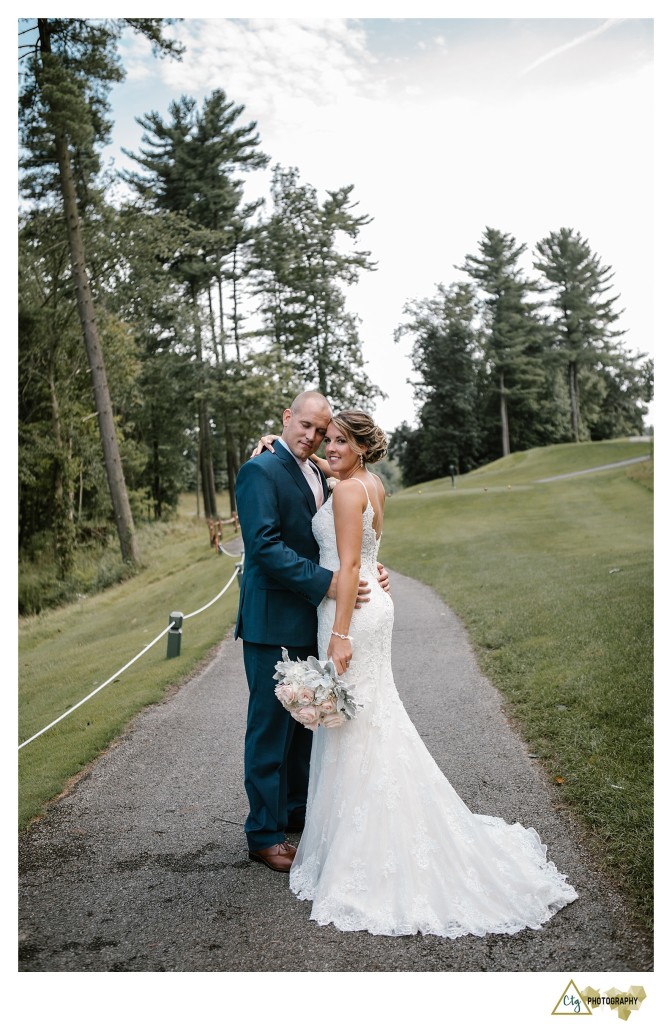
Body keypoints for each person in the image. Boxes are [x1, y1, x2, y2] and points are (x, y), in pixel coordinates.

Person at [282, 409, 578, 937]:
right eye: (326, 439)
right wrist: (271, 443)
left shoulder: (348, 492)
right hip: (371, 606)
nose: (328, 448)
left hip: (351, 613)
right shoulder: (369, 484)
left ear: (362, 447)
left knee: (354, 721)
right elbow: (371, 551)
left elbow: (349, 565)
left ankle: (365, 850)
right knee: (367, 715)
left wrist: (341, 632)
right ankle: (363, 832)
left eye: (339, 441)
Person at [234, 391, 389, 873]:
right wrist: (330, 585)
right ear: (286, 417)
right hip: (272, 620)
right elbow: (264, 547)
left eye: (321, 431)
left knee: (306, 722)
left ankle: (295, 812)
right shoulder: (259, 470)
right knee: (269, 728)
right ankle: (263, 832)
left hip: (309, 619)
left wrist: (370, 569)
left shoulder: (322, 472)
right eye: (304, 425)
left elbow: (345, 538)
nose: (311, 436)